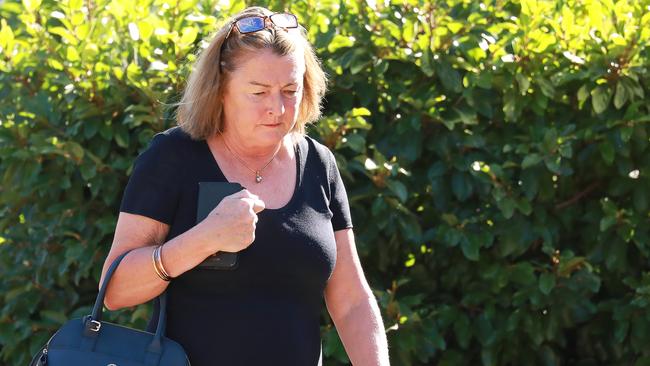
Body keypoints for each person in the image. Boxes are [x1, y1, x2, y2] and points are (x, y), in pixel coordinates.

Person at [99, 6, 390, 366]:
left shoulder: (318, 164)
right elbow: (114, 291)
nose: (278, 109)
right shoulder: (174, 157)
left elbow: (351, 301)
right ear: (220, 89)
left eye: (289, 90)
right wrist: (203, 240)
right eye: (258, 92)